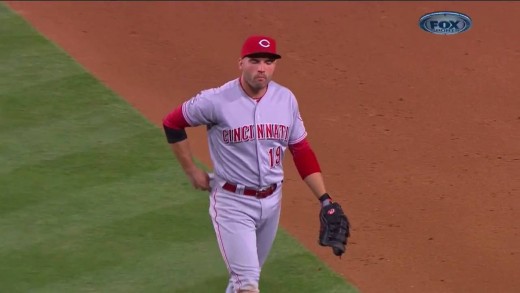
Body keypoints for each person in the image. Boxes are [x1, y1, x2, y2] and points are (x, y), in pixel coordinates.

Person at [162, 35, 349, 293]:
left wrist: (325, 199)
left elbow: (301, 150)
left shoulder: (286, 100)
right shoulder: (216, 100)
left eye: (268, 61)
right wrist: (192, 171)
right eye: (255, 61)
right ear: (241, 63)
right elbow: (172, 123)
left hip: (272, 203)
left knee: (244, 280)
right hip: (232, 203)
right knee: (247, 284)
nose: (262, 68)